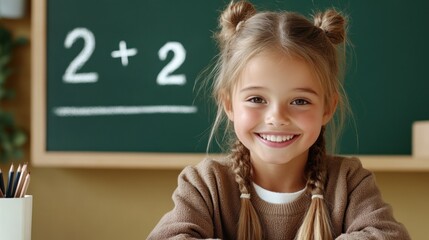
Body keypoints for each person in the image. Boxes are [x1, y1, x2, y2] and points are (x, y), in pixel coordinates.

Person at [148, 1, 410, 239]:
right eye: (257, 99)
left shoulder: (348, 182)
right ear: (228, 104)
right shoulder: (206, 184)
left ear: (328, 109)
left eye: (300, 101)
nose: (277, 118)